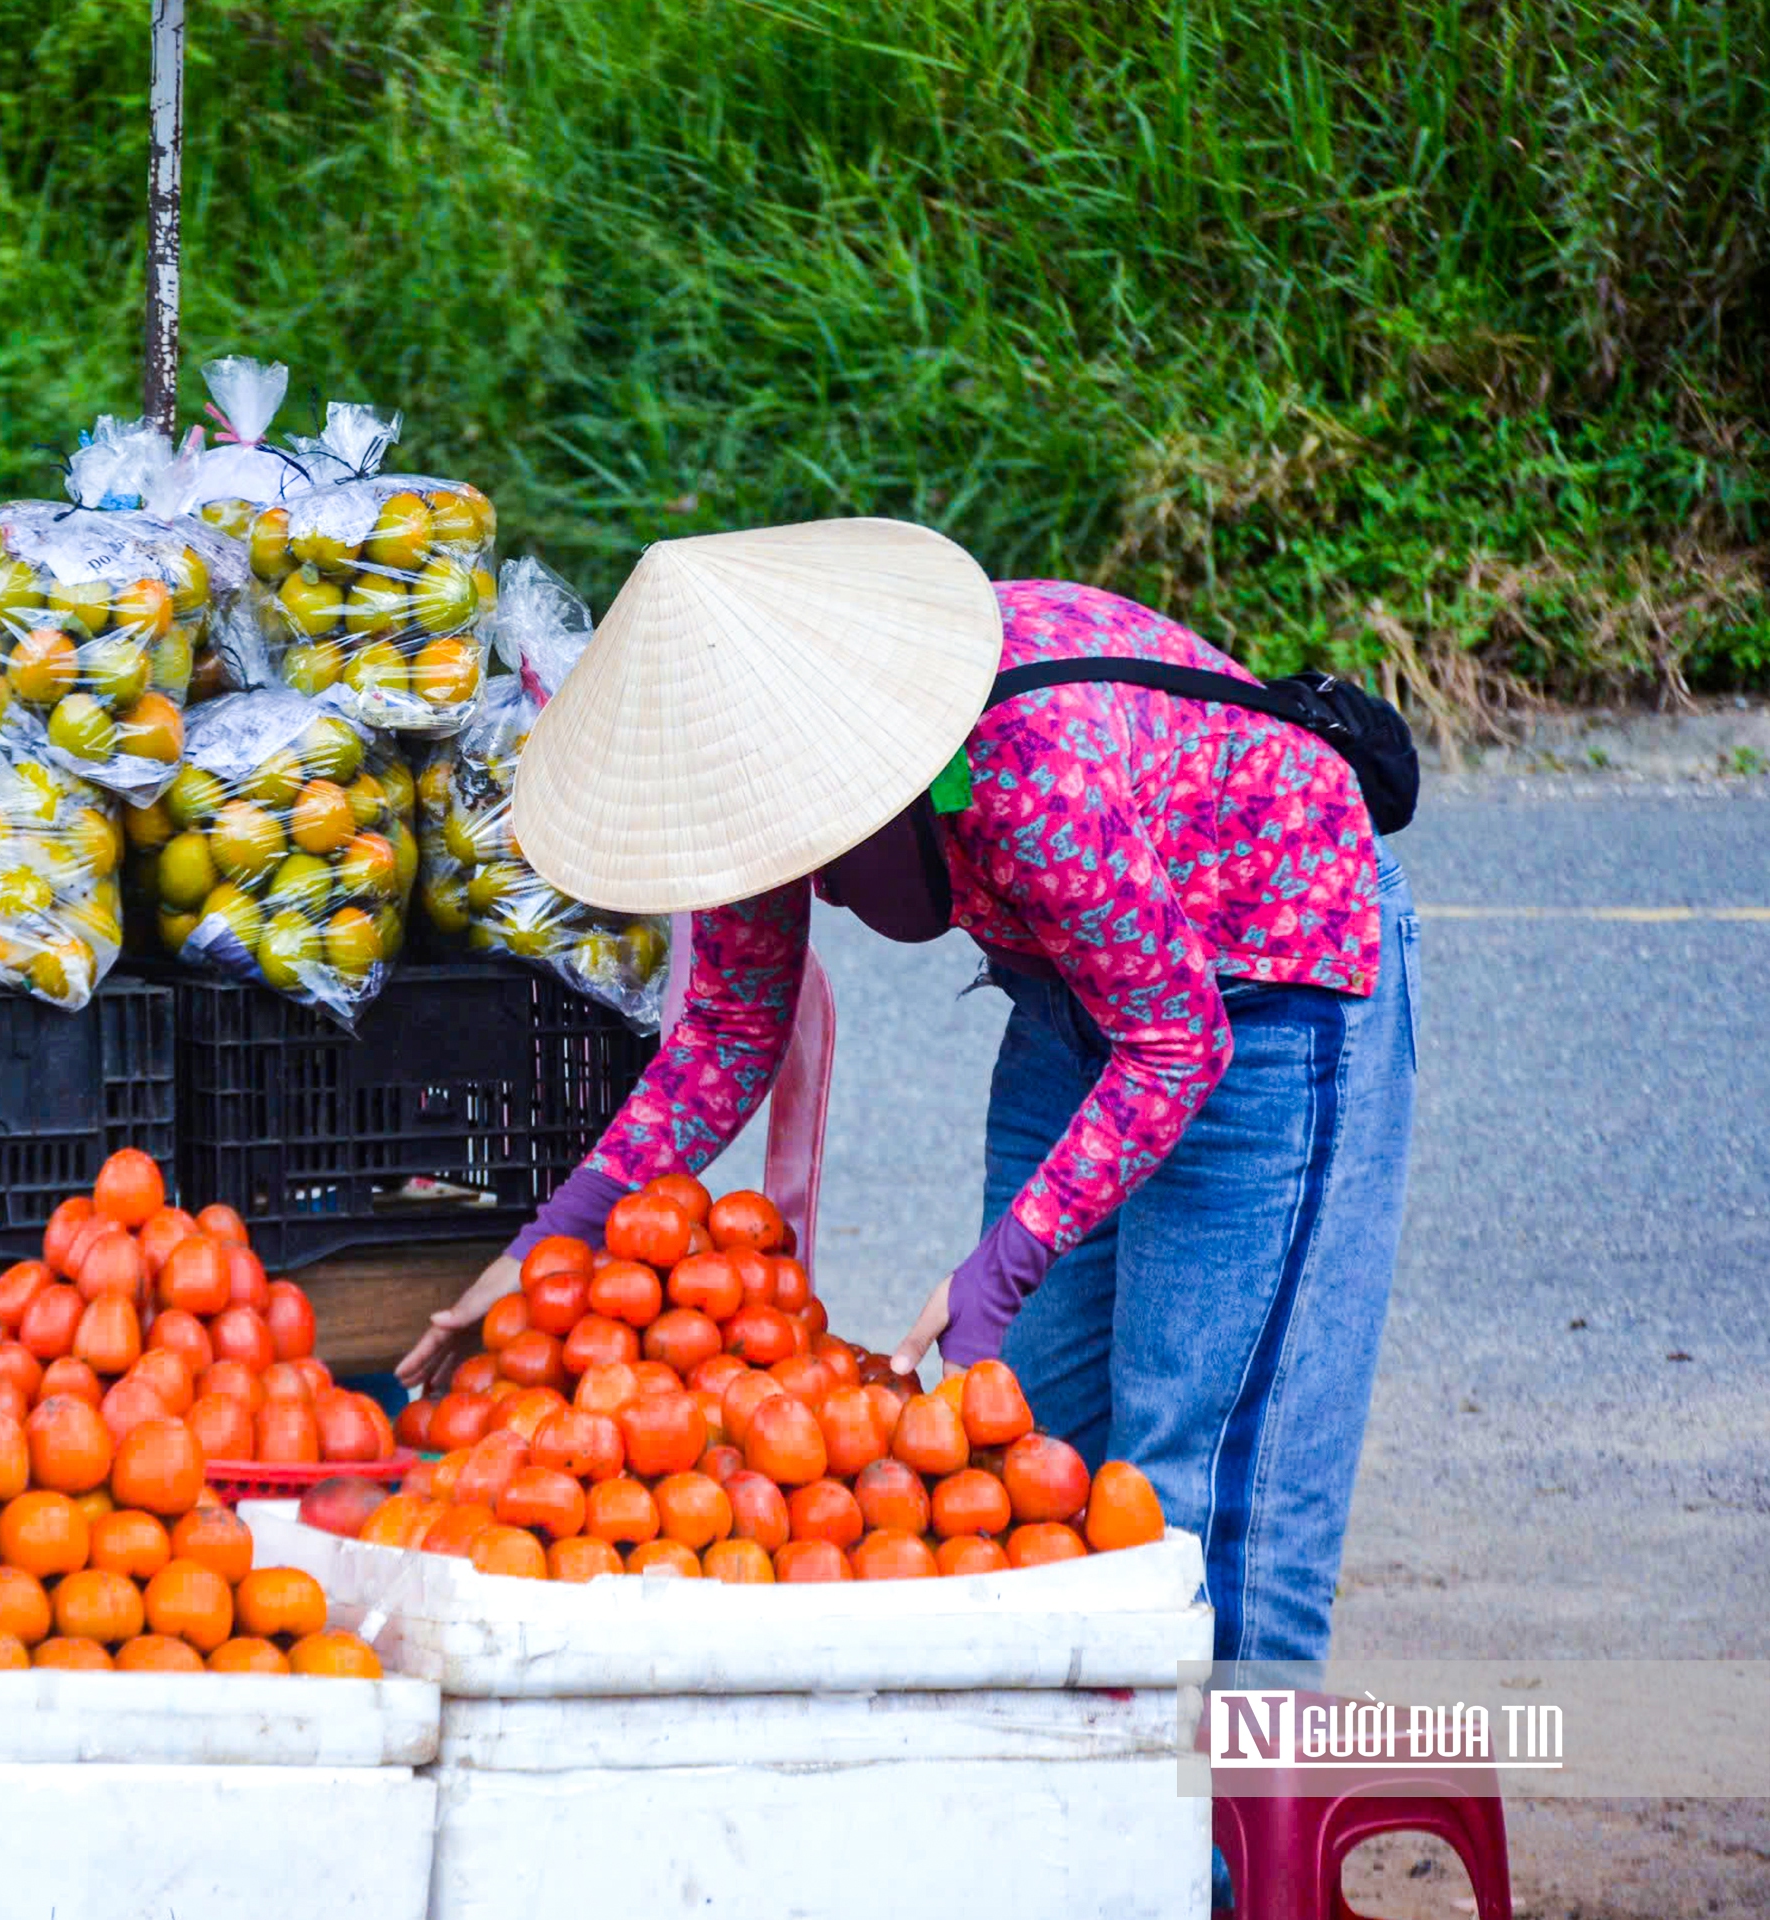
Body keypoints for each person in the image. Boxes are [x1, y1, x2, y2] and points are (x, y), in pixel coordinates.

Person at [397, 519, 1419, 1665]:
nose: (811, 887)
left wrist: (1008, 1258)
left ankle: (1232, 1840)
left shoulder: (1032, 763)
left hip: (1266, 975)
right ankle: (1094, 1813)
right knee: (1033, 1468)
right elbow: (733, 1027)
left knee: (1208, 1485)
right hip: (1071, 989)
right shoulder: (760, 783)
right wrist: (548, 1248)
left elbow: (1176, 1043)